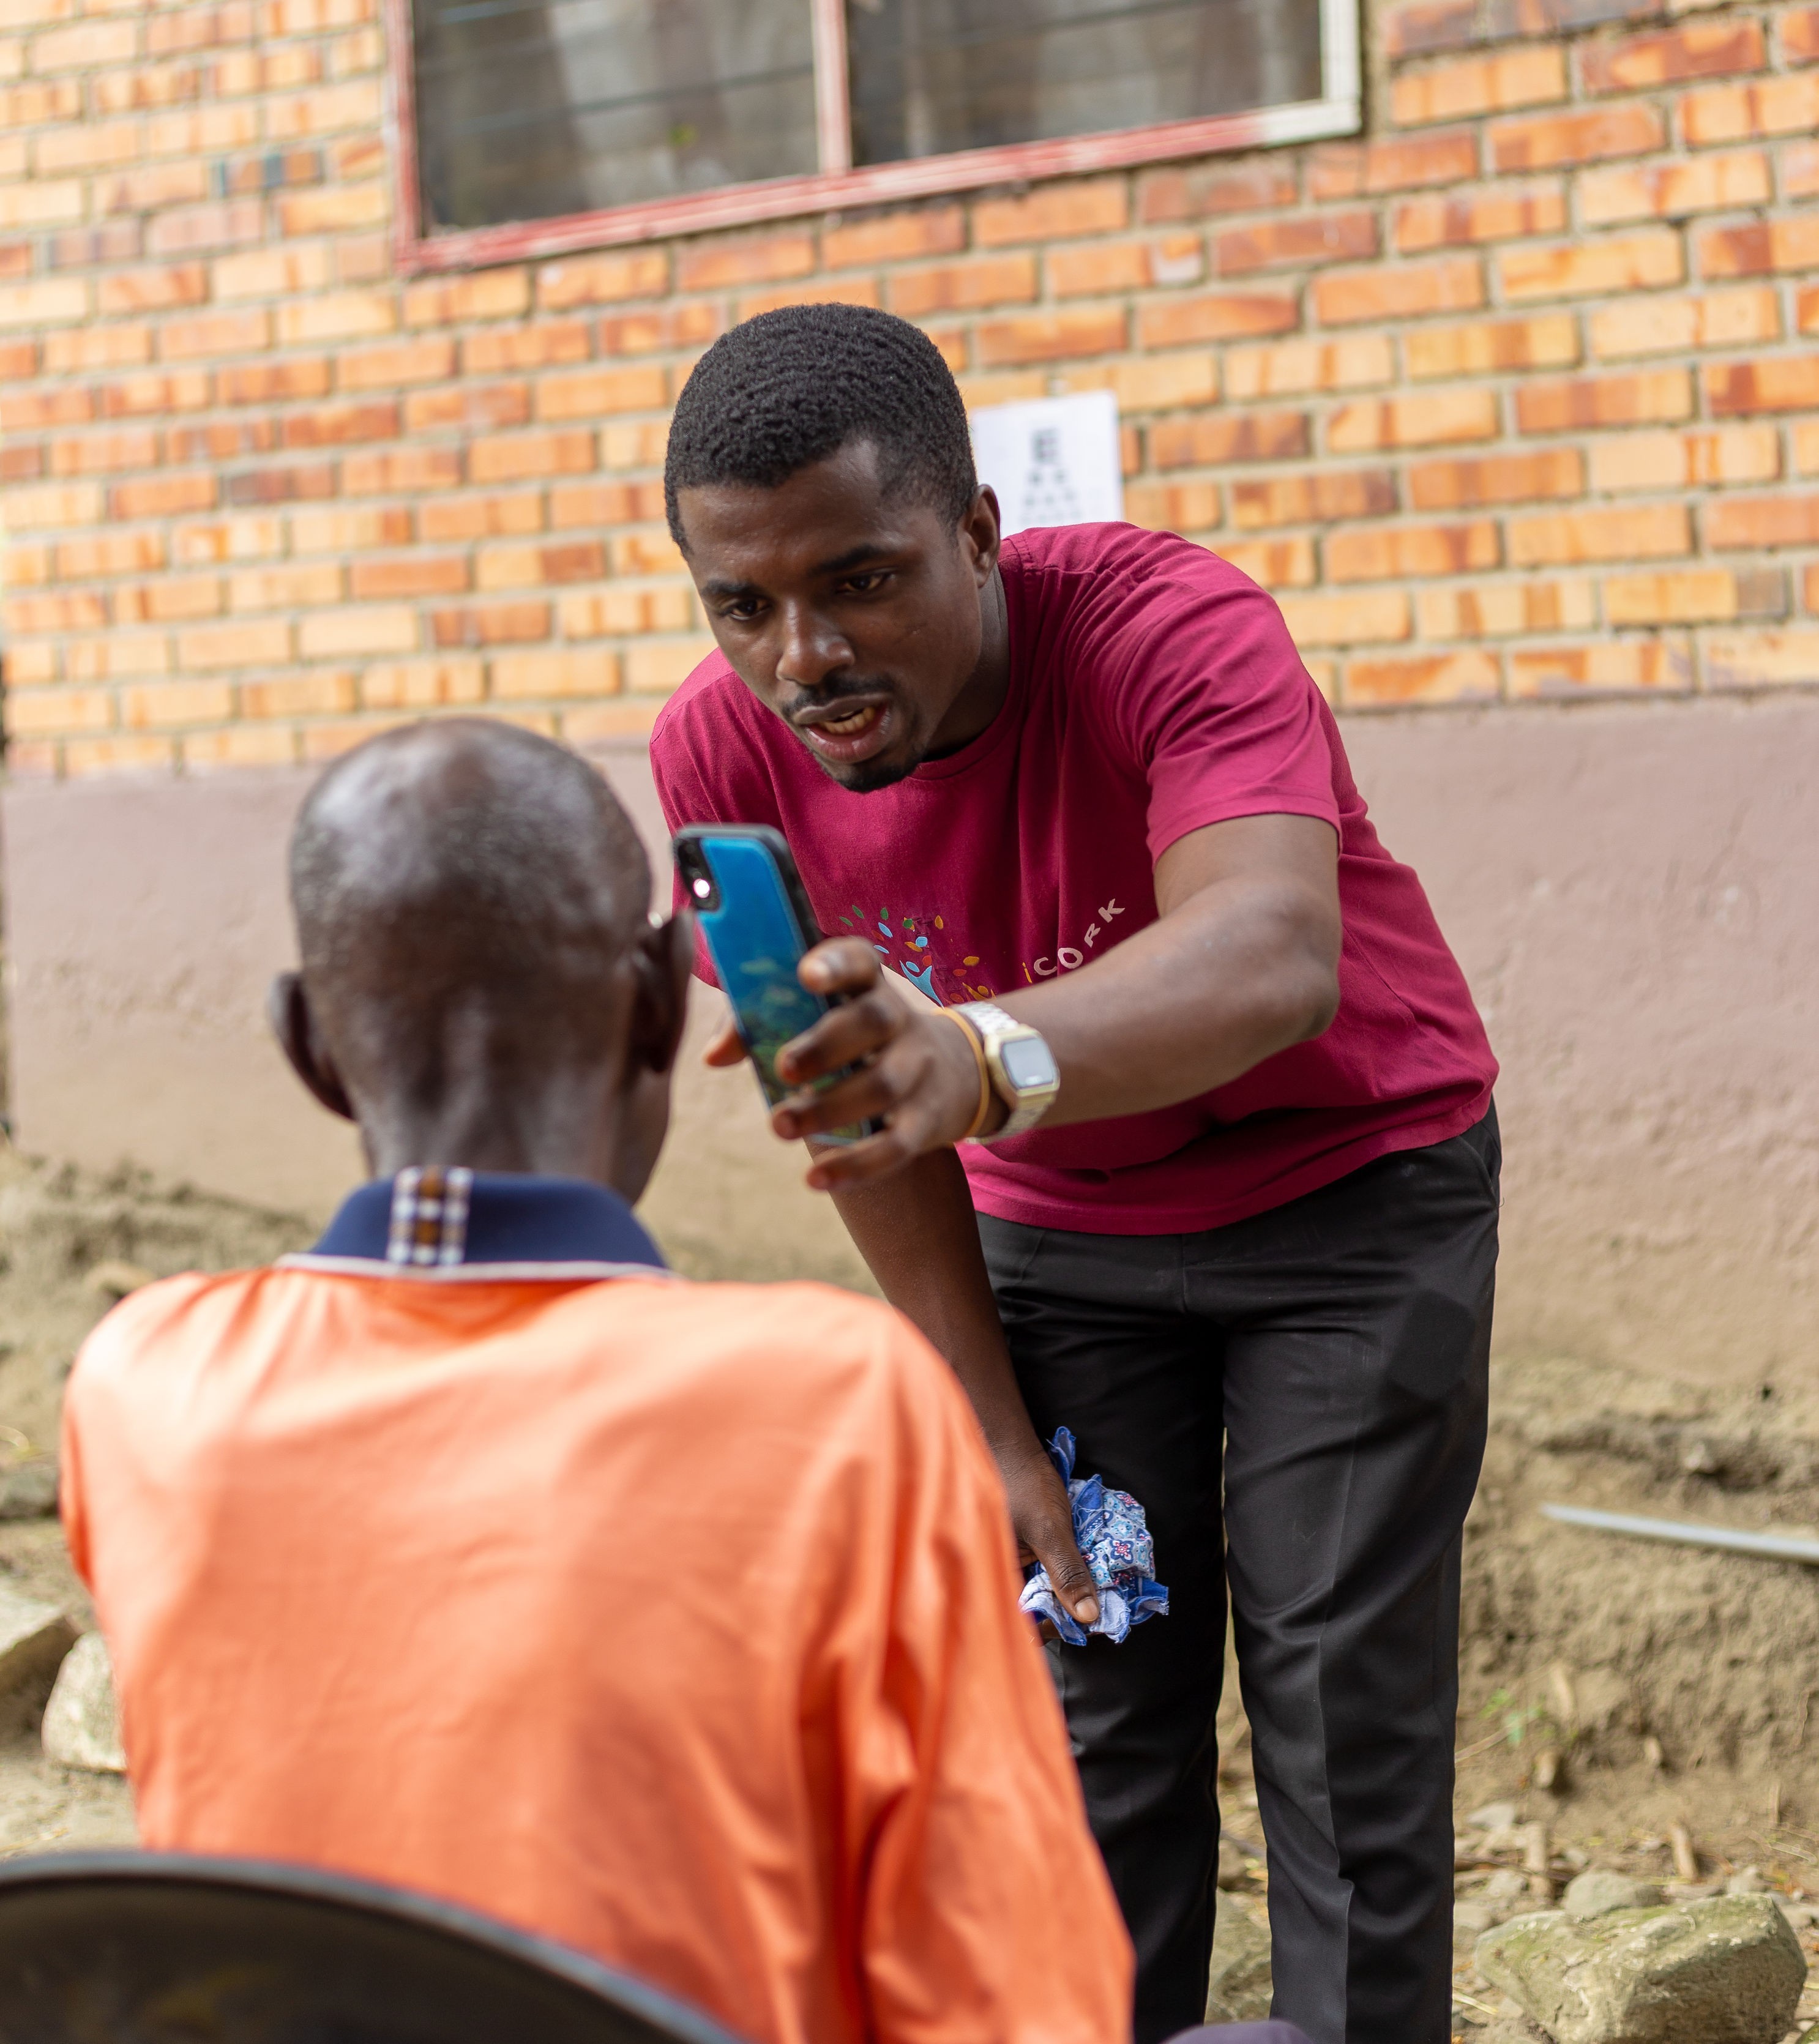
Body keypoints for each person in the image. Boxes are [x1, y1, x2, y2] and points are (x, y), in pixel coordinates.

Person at [651, 304, 1501, 2044]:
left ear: (977, 531)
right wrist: (985, 1426)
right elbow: (863, 1121)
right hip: (1065, 1244)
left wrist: (969, 1056)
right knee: (1096, 1708)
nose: (803, 654)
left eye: (862, 579)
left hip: (1345, 1194)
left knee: (1337, 1716)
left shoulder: (1165, 626)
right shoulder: (722, 758)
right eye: (744, 605)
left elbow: (1270, 953)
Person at [59, 718, 1138, 2044]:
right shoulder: (835, 1404)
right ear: (658, 1001)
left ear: (307, 1043)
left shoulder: (142, 1381)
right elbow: (1015, 2000)